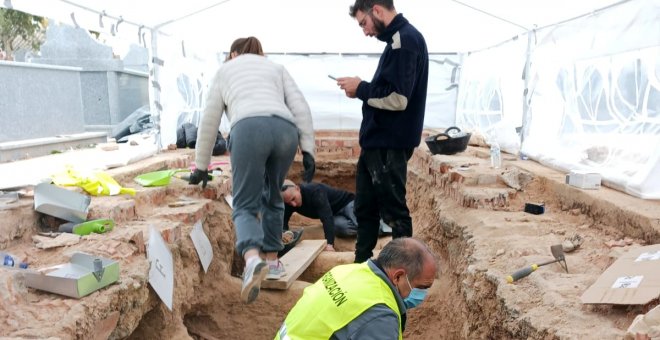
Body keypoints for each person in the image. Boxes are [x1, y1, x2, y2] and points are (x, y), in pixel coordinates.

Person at [189, 36, 316, 304]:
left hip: (249, 129)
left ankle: (251, 260)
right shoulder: (275, 68)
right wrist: (308, 150)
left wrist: (201, 166)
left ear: (233, 54)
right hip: (285, 132)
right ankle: (272, 262)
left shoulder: (225, 71)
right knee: (273, 195)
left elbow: (209, 119)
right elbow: (300, 106)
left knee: (245, 205)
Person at [335, 0, 429, 263]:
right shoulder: (395, 42)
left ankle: (402, 276)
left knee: (395, 213)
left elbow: (399, 98)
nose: (365, 31)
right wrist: (361, 89)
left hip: (389, 145)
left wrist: (361, 88)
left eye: (364, 23)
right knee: (365, 209)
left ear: (377, 10)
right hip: (376, 145)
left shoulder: (406, 40)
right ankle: (361, 267)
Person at [275, 237, 438, 339]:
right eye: (422, 287)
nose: (422, 295)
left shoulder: (346, 271)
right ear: (397, 277)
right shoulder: (380, 314)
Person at [281, 180, 392, 252]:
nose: (293, 204)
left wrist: (329, 244)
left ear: (297, 188)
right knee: (340, 228)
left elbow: (326, 217)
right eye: (289, 203)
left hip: (347, 204)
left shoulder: (315, 191)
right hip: (335, 214)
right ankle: (368, 224)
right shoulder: (289, 202)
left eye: (293, 199)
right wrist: (284, 236)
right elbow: (284, 220)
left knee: (358, 221)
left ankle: (387, 226)